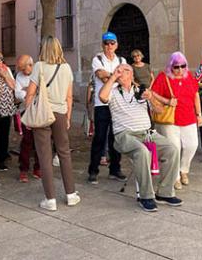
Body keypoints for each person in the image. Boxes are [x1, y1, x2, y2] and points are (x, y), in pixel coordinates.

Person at [99, 64, 181, 212]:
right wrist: (113, 77)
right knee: (142, 151)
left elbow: (160, 110)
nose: (121, 72)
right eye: (119, 70)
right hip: (124, 135)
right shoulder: (112, 90)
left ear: (131, 75)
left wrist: (151, 98)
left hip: (147, 133)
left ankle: (165, 193)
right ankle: (146, 196)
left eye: (125, 70)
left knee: (172, 149)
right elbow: (102, 97)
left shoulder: (141, 91)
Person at [25, 36, 79, 211]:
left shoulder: (39, 66)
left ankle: (50, 199)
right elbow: (69, 96)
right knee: (64, 153)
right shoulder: (66, 68)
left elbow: (31, 93)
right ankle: (71, 194)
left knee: (45, 156)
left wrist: (28, 113)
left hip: (43, 113)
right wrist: (68, 117)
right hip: (61, 112)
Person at [151, 52, 202, 189]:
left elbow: (196, 95)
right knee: (174, 148)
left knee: (192, 145)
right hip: (170, 120)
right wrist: (167, 101)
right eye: (176, 67)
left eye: (183, 66)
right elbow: (152, 92)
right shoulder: (163, 77)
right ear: (171, 66)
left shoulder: (189, 77)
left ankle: (184, 170)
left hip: (189, 117)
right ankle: (175, 177)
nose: (180, 69)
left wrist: (199, 114)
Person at [87, 31, 126, 184]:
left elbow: (123, 79)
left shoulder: (122, 60)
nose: (109, 46)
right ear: (102, 45)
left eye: (112, 43)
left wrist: (111, 77)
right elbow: (101, 75)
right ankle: (93, 170)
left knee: (116, 138)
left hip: (117, 104)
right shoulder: (97, 59)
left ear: (116, 45)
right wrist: (116, 76)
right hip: (101, 104)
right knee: (99, 138)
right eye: (106, 43)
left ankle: (115, 169)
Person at [0, 51, 17, 171]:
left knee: (3, 135)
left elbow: (14, 86)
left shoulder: (7, 70)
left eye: (1, 59)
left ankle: (1, 160)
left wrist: (5, 75)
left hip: (6, 107)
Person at [15, 54, 40, 182]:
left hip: (39, 110)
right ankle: (23, 169)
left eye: (24, 69)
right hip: (26, 111)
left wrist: (28, 91)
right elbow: (18, 93)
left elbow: (41, 91)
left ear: (31, 65)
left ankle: (38, 168)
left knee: (40, 141)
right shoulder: (19, 76)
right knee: (27, 141)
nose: (22, 72)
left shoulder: (39, 72)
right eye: (21, 69)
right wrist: (30, 92)